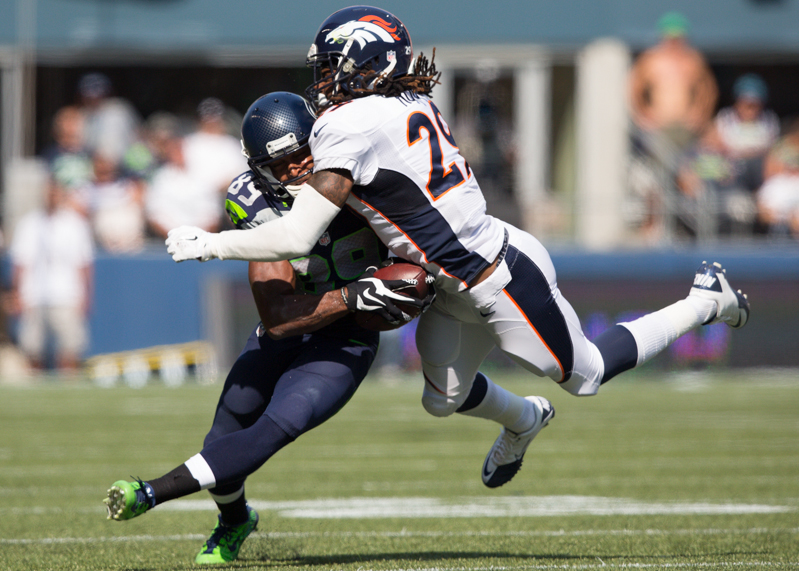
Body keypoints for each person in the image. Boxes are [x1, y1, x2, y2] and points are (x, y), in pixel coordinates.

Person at [165, 7, 750, 492]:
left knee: (587, 374)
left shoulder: (352, 125)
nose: (322, 79)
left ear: (363, 64)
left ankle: (705, 299)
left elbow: (294, 235)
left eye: (332, 66)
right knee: (441, 399)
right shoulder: (404, 105)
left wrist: (213, 243)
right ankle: (524, 419)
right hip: (445, 281)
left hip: (496, 273)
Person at [104, 92, 429, 565]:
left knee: (281, 423)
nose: (298, 169)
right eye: (283, 163)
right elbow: (278, 316)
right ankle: (236, 520)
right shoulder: (251, 199)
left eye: (304, 155)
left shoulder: (361, 179)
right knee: (222, 439)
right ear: (260, 169)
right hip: (294, 320)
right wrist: (349, 294)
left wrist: (401, 290)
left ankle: (151, 491)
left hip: (351, 331)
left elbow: (419, 250)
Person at [8, 180, 94, 371]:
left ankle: (70, 393)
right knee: (32, 351)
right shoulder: (30, 223)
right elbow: (21, 262)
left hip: (67, 293)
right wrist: (17, 293)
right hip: (35, 294)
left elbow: (84, 263)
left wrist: (86, 294)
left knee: (70, 350)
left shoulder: (75, 224)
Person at [714, 73, 779, 193]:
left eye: (754, 105)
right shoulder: (725, 118)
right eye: (746, 104)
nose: (750, 109)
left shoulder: (769, 119)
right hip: (734, 168)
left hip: (760, 169)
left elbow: (773, 150)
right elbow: (716, 147)